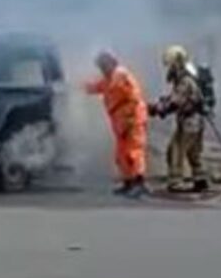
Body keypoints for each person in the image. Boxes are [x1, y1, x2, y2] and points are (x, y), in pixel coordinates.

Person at [83, 50, 149, 197]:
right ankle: (128, 182)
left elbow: (134, 99)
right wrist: (80, 87)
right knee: (121, 155)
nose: (101, 69)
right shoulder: (110, 77)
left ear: (110, 63)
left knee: (134, 152)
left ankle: (139, 182)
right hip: (121, 122)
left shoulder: (121, 75)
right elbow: (98, 87)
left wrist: (129, 120)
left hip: (132, 120)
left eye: (103, 66)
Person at [149, 45, 208, 193]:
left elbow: (176, 101)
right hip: (195, 122)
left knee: (175, 150)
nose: (169, 69)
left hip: (189, 122)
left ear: (177, 63)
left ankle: (176, 182)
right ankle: (200, 179)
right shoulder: (186, 79)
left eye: (170, 65)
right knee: (193, 152)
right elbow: (173, 98)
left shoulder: (184, 80)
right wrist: (160, 103)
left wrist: (157, 109)